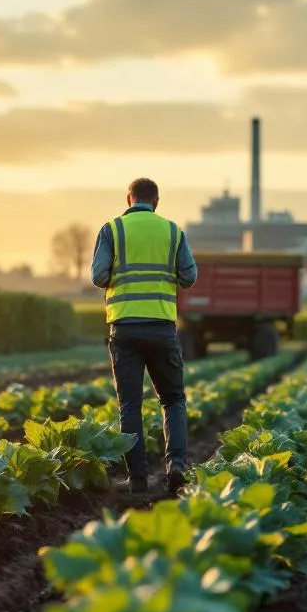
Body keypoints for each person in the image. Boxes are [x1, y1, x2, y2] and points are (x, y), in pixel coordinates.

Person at [90, 177, 198, 497]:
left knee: (130, 405)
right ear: (157, 202)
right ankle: (176, 465)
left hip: (124, 328)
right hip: (162, 327)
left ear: (129, 199)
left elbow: (98, 276)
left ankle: (137, 480)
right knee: (173, 399)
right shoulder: (173, 232)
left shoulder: (112, 230)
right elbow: (189, 277)